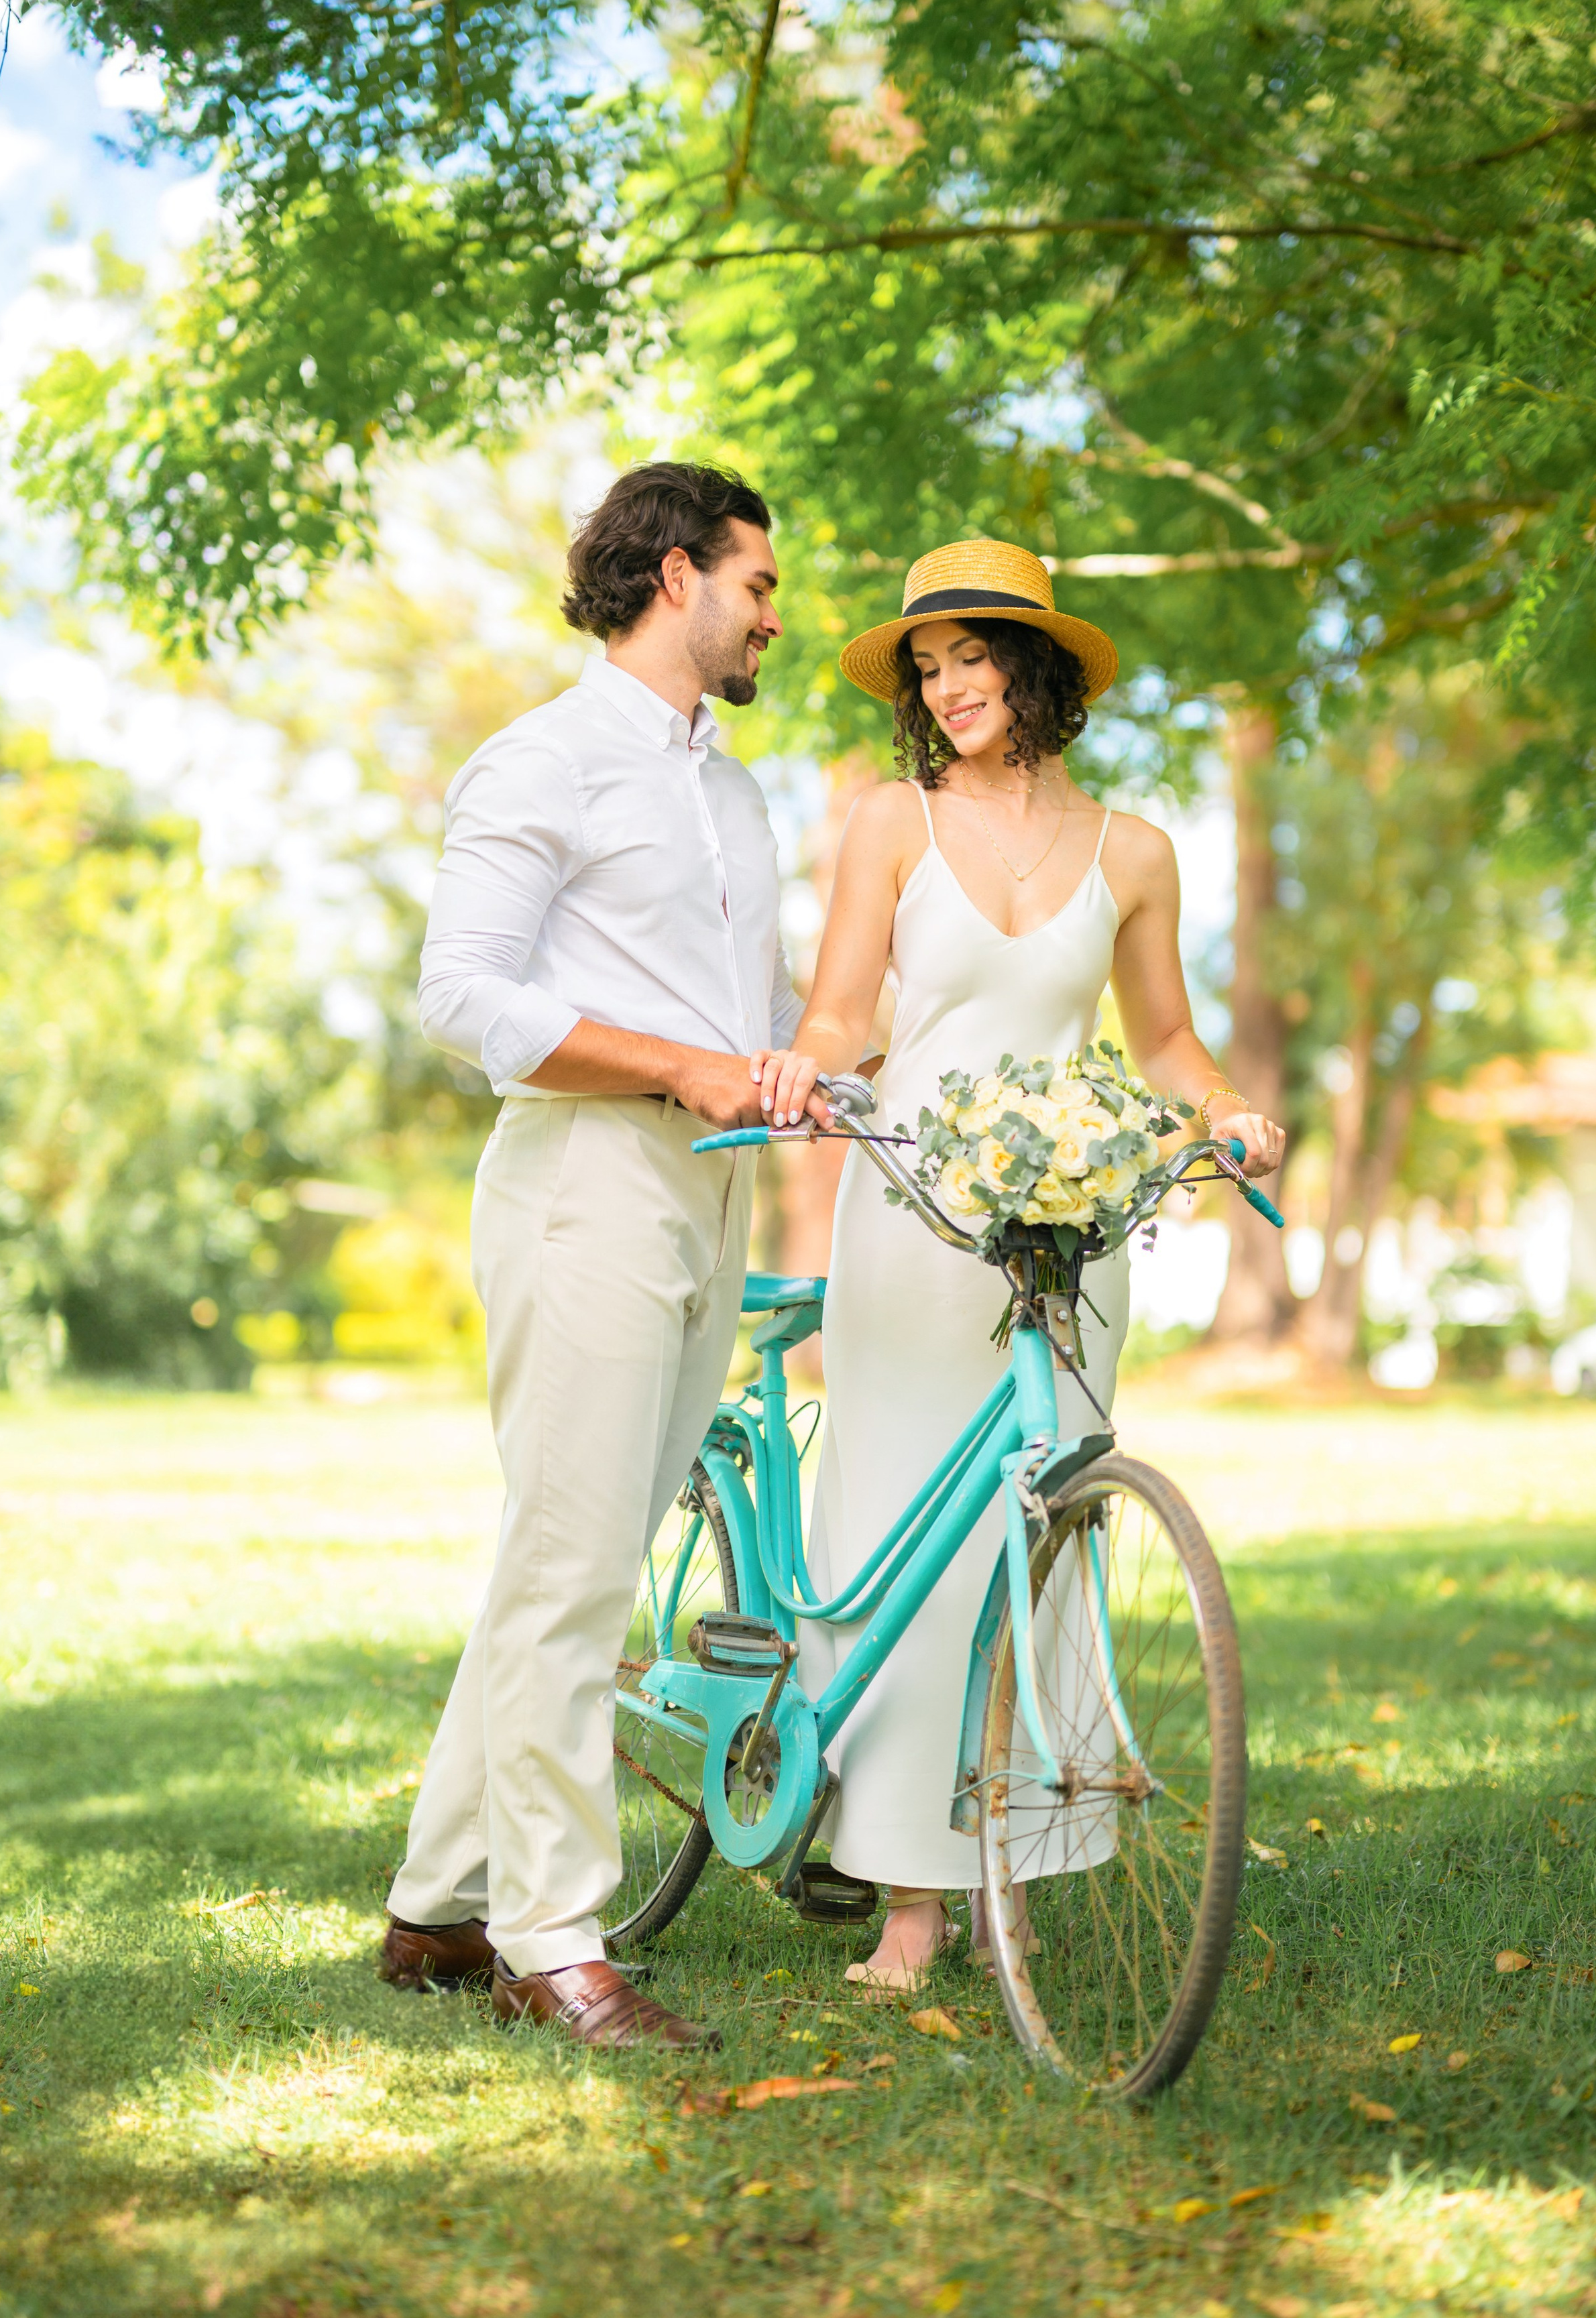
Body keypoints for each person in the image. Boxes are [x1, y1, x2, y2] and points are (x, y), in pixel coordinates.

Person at [752, 539, 1286, 1989]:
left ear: (1032, 665)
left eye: (968, 658)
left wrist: (1224, 1112)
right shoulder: (887, 824)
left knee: (1038, 1549)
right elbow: (839, 1014)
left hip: (1067, 1231)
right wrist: (799, 1076)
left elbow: (1163, 1042)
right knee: (908, 1549)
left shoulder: (1132, 851)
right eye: (925, 670)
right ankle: (913, 1898)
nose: (944, 689)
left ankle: (1016, 1871)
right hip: (917, 1216)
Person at [380, 461, 811, 2050]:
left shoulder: (735, 791)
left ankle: (435, 1906)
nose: (774, 614)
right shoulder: (541, 758)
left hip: (711, 1192)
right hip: (582, 1184)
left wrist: (809, 1070)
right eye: (758, 584)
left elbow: (749, 1021)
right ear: (675, 573)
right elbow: (468, 996)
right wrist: (675, 1067)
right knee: (571, 1575)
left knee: (568, 1563)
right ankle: (548, 1941)